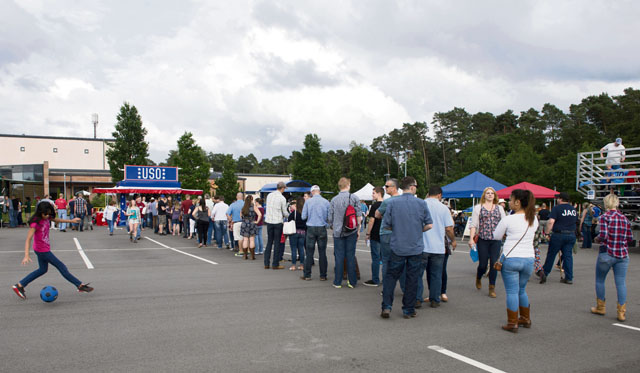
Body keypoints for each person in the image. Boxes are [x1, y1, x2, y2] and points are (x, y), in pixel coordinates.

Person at [12, 202, 93, 300]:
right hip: (42, 250)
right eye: (45, 214)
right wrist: (26, 255)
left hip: (43, 249)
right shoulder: (35, 223)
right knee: (62, 267)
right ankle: (79, 285)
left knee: (42, 270)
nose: (47, 216)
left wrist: (71, 220)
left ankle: (20, 285)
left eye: (49, 214)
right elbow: (28, 239)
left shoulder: (47, 218)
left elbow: (57, 219)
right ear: (40, 212)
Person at [380, 176, 433, 319]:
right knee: (412, 278)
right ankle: (408, 309)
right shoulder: (421, 203)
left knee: (391, 277)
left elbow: (386, 225)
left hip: (398, 245)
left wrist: (398, 229)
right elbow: (429, 224)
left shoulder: (392, 203)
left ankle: (386, 306)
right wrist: (417, 230)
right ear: (413, 187)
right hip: (415, 246)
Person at [492, 189, 538, 333]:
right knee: (521, 290)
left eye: (511, 200)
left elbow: (496, 236)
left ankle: (512, 322)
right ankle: (525, 318)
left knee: (512, 292)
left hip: (511, 258)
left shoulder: (508, 219)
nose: (509, 202)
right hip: (529, 258)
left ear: (517, 202)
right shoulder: (533, 219)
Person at [591, 193, 633, 322]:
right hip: (622, 253)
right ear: (617, 203)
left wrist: (597, 239)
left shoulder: (604, 217)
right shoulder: (624, 218)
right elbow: (630, 238)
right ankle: (621, 312)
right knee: (620, 283)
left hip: (607, 252)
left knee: (600, 280)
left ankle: (601, 307)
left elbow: (603, 235)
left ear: (606, 204)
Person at [418, 186, 456, 308]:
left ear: (428, 194)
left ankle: (417, 298)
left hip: (422, 245)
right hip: (438, 247)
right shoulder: (444, 208)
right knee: (436, 274)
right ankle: (435, 299)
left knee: (418, 274)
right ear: (439, 195)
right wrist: (453, 240)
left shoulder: (421, 204)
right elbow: (449, 228)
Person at [469, 187, 506, 298]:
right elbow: (473, 225)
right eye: (488, 193)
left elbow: (504, 223)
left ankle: (491, 287)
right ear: (484, 195)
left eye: (492, 193)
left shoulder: (499, 208)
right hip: (483, 240)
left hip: (496, 240)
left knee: (494, 263)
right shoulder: (478, 208)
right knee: (483, 265)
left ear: (494, 196)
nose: (490, 195)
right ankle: (479, 276)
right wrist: (471, 239)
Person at [328, 177, 362, 288]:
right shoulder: (354, 198)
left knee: (339, 256)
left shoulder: (333, 200)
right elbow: (359, 216)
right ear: (348, 185)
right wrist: (358, 229)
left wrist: (333, 226)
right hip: (351, 231)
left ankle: (337, 282)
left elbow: (329, 218)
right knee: (350, 256)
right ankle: (352, 282)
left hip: (338, 232)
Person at [541, 192, 578, 284]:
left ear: (560, 199)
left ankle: (545, 273)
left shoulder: (556, 208)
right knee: (568, 256)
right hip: (571, 234)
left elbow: (551, 221)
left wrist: (547, 233)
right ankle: (569, 277)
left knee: (551, 254)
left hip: (558, 234)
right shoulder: (573, 209)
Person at [300, 185, 330, 281]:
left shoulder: (308, 202)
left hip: (311, 228)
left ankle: (307, 275)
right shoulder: (326, 202)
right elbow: (329, 218)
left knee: (309, 253)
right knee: (322, 252)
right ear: (319, 192)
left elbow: (303, 217)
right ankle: (323, 275)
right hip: (322, 228)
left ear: (312, 192)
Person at [375, 179, 401, 281]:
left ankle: (387, 286)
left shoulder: (387, 202)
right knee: (400, 260)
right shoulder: (403, 200)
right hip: (400, 233)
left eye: (387, 186)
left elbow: (377, 214)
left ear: (394, 188)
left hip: (386, 233)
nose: (385, 188)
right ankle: (404, 288)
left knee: (386, 261)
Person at [264, 183, 288, 269]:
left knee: (269, 242)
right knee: (277, 243)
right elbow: (284, 212)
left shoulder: (269, 195)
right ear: (282, 188)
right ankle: (275, 264)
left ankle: (266, 263)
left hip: (269, 221)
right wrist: (289, 216)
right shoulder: (282, 198)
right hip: (278, 221)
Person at [364, 186, 384, 286]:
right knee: (385, 259)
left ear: (379, 193)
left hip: (375, 234)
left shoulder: (375, 206)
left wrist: (368, 233)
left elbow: (371, 220)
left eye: (373, 193)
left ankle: (375, 279)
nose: (372, 195)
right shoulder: (387, 204)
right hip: (385, 234)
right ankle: (386, 280)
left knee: (375, 258)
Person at [240, 195, 262, 260]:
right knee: (252, 240)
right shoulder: (254, 207)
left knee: (245, 239)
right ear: (252, 200)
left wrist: (244, 220)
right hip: (252, 222)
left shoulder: (243, 207)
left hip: (244, 223)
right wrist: (257, 221)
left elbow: (240, 216)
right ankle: (252, 256)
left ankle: (245, 255)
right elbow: (260, 214)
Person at [287, 197, 306, 270]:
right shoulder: (305, 213)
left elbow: (289, 220)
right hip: (303, 232)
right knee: (301, 248)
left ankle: (293, 265)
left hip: (294, 231)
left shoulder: (294, 213)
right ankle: (302, 265)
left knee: (293, 249)